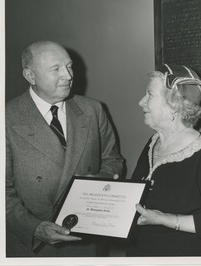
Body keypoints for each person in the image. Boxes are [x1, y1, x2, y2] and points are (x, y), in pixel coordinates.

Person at [6, 41, 124, 257]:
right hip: (29, 246)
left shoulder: (93, 109)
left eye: (69, 66)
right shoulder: (7, 118)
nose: (69, 76)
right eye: (56, 69)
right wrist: (34, 228)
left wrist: (94, 184)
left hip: (84, 241)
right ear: (30, 76)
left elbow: (113, 161)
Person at [126, 64, 201, 256]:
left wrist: (166, 219)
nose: (141, 102)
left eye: (149, 95)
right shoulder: (153, 143)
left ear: (173, 104)